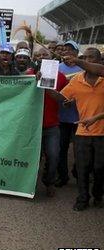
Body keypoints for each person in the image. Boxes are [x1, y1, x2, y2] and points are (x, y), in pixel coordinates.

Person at [46, 48, 104, 211]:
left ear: (99, 61)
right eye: (84, 57)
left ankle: (98, 195)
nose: (87, 60)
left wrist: (77, 60)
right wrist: (45, 86)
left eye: (91, 58)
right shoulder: (77, 80)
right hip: (83, 133)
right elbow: (62, 98)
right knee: (82, 168)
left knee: (100, 169)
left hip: (102, 134)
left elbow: (95, 69)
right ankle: (83, 198)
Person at [30, 48, 68, 197]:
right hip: (33, 126)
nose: (41, 57)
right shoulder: (28, 75)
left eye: (45, 54)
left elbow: (65, 99)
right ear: (34, 58)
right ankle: (30, 184)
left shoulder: (61, 77)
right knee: (33, 158)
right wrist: (33, 80)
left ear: (51, 57)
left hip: (52, 125)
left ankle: (49, 182)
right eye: (38, 55)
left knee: (53, 156)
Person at [56, 40, 82, 187]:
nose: (67, 52)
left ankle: (79, 174)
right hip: (61, 116)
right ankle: (62, 176)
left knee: (79, 149)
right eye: (65, 49)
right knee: (62, 148)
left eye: (71, 50)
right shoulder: (57, 68)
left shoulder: (83, 68)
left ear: (77, 53)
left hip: (79, 118)